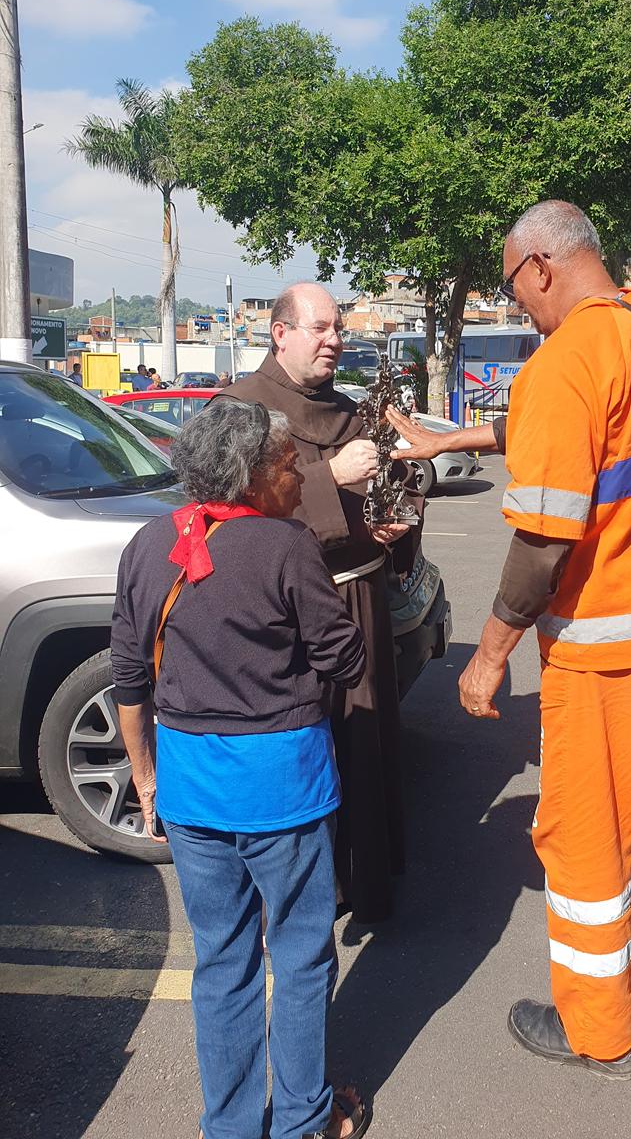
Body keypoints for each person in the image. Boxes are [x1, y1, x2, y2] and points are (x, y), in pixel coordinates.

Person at [417, 201, 631, 1078]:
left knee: (586, 834)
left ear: (541, 267)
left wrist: (488, 657)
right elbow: (576, 427)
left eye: (512, 286)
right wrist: (449, 439)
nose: (515, 304)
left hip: (610, 644)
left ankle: (601, 1031)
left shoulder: (565, 362)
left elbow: (543, 543)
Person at [110, 397, 370, 1139]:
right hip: (281, 790)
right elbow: (345, 661)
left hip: (191, 789)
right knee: (300, 957)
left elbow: (129, 678)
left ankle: (228, 1126)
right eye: (288, 465)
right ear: (251, 475)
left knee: (221, 964)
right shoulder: (287, 547)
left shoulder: (149, 542)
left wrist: (146, 781)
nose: (298, 477)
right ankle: (302, 1120)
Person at [223, 283, 411, 923]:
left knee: (362, 745)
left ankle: (363, 882)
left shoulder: (348, 409)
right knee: (301, 752)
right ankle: (303, 895)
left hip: (360, 595)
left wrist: (395, 515)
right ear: (280, 334)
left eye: (339, 330)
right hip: (285, 613)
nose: (335, 340)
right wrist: (330, 476)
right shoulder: (240, 410)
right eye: (321, 329)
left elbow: (388, 485)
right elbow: (233, 512)